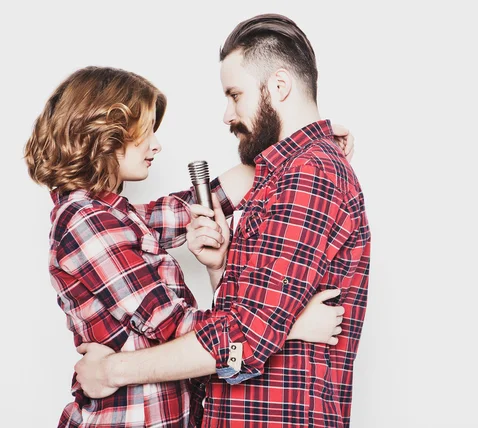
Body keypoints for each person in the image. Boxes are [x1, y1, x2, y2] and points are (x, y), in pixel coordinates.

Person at [76, 13, 371, 427]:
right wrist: (220, 268)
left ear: (279, 87)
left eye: (235, 95)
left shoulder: (308, 175)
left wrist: (111, 371)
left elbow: (243, 338)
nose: (226, 113)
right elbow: (247, 322)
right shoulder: (281, 176)